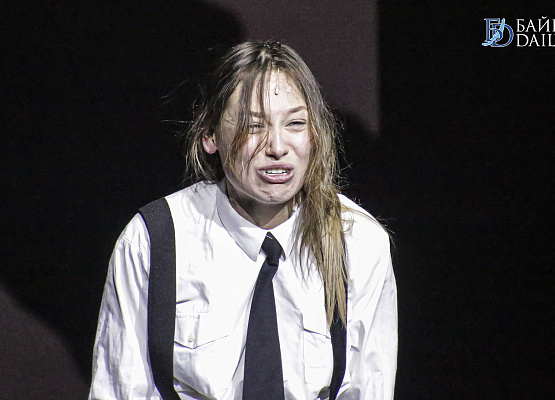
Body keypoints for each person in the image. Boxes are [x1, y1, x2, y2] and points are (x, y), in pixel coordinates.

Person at [89, 41, 397, 400]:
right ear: (210, 134)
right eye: (254, 126)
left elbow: (369, 389)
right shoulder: (154, 241)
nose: (277, 147)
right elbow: (119, 389)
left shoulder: (357, 242)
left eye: (295, 123)